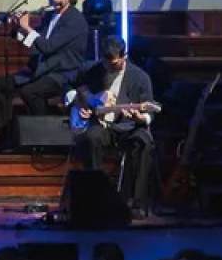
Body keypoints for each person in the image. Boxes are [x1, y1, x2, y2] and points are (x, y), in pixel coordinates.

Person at [0, 0, 91, 138]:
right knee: (2, 83)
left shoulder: (75, 19)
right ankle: (0, 134)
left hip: (63, 72)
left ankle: (47, 135)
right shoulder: (50, 16)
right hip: (44, 68)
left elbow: (48, 47)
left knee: (30, 91)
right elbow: (37, 44)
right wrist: (18, 31)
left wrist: (28, 28)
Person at [68, 35, 159, 215]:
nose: (110, 68)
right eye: (107, 64)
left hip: (130, 127)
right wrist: (84, 104)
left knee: (144, 143)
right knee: (90, 138)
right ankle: (94, 198)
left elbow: (150, 111)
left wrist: (141, 117)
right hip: (103, 126)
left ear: (124, 57)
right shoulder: (92, 71)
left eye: (115, 64)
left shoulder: (140, 77)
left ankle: (136, 202)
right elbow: (71, 87)